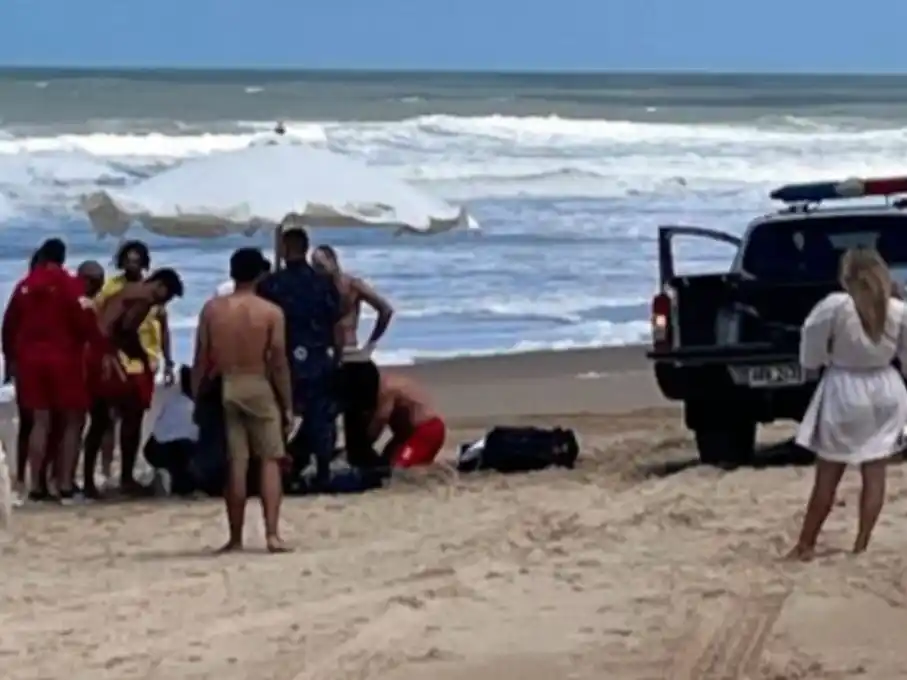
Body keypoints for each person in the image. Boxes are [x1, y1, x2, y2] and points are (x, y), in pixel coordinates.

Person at [788, 247, 907, 561]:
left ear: (846, 276)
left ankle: (806, 544)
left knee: (829, 471)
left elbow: (811, 348)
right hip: (886, 388)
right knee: (875, 469)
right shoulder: (897, 309)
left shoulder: (835, 307)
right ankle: (862, 544)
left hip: (845, 387)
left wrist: (816, 363)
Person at [192, 247, 294, 553]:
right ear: (261, 274)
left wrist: (197, 395)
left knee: (236, 462)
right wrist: (287, 402)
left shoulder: (212, 309)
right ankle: (272, 534)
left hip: (226, 383)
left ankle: (235, 536)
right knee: (270, 460)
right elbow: (278, 360)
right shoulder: (271, 312)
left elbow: (201, 358)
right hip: (257, 382)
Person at [2, 238, 95, 503]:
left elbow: (8, 326)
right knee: (72, 420)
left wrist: (10, 359)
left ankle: (36, 486)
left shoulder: (25, 286)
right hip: (64, 358)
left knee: (39, 421)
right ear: (63, 258)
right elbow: (84, 322)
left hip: (29, 360)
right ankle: (64, 484)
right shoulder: (71, 285)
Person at [257, 224, 341, 486]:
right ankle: (324, 470)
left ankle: (282, 473)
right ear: (306, 249)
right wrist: (336, 356)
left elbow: (262, 326)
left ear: (283, 249)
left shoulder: (270, 285)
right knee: (321, 416)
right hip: (317, 355)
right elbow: (334, 321)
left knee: (281, 416)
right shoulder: (323, 284)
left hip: (283, 357)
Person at [94, 267, 184, 494]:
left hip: (98, 351)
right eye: (167, 296)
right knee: (130, 416)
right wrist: (139, 357)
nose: (163, 303)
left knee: (102, 419)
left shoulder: (127, 291)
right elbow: (123, 329)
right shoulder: (144, 298)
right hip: (109, 354)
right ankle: (125, 477)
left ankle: (90, 479)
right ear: (160, 286)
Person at [343, 361, 446, 470]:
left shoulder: (386, 389)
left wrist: (362, 444)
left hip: (426, 430)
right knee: (384, 463)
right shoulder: (378, 386)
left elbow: (381, 419)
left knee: (398, 468)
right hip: (404, 435)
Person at [311, 245, 394, 357]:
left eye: (320, 266)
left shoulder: (351, 284)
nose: (317, 271)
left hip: (348, 350)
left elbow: (386, 310)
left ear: (333, 262)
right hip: (323, 353)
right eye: (314, 267)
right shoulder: (314, 288)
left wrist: (370, 345)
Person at [144, 365, 198, 496]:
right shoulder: (198, 407)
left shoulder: (173, 399)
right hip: (181, 449)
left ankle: (165, 474)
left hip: (155, 447)